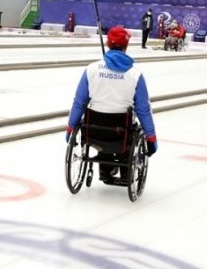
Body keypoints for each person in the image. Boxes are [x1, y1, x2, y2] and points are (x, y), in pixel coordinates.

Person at [66, 26, 158, 183]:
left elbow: (79, 102)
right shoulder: (135, 75)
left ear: (108, 43)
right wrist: (151, 137)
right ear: (126, 46)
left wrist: (70, 127)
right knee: (130, 128)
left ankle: (105, 168)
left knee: (102, 123)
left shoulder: (91, 69)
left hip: (93, 131)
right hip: (121, 132)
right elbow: (143, 110)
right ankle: (125, 170)